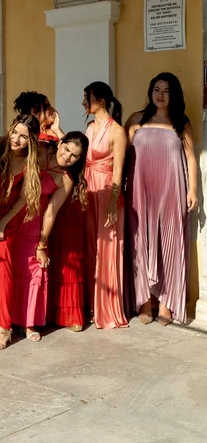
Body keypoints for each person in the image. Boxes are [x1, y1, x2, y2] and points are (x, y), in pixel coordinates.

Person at [0, 132, 88, 341]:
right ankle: (3, 320)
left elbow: (51, 213)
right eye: (66, 149)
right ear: (60, 143)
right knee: (5, 268)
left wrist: (42, 245)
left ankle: (28, 324)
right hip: (9, 209)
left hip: (33, 220)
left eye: (74, 156)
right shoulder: (39, 149)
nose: (67, 157)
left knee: (33, 271)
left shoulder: (66, 179)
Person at [125, 72, 198, 325]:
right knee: (140, 243)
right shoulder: (136, 120)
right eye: (157, 89)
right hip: (139, 190)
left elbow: (190, 157)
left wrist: (193, 190)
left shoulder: (181, 122)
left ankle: (167, 303)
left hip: (172, 189)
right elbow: (121, 156)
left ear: (174, 95)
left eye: (166, 91)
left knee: (170, 242)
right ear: (150, 91)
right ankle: (145, 301)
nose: (160, 95)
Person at [0, 114, 41, 350]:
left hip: (5, 219)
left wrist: (3, 223)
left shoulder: (30, 162)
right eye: (15, 132)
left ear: (32, 141)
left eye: (24, 137)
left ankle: (4, 327)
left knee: (2, 271)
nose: (17, 139)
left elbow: (24, 199)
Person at [82, 82, 128, 328]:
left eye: (86, 98)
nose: (83, 103)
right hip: (89, 190)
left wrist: (113, 201)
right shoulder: (89, 127)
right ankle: (91, 304)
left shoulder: (117, 131)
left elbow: (119, 170)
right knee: (90, 248)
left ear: (100, 101)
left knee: (107, 250)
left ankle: (107, 308)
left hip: (107, 193)